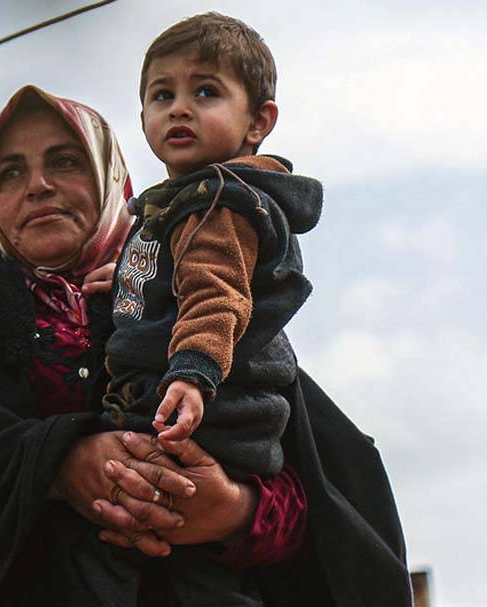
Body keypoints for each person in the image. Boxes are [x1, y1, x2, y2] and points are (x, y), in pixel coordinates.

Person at [0, 84, 411, 606]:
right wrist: (58, 463)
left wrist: (235, 511)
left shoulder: (188, 303)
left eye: (65, 161)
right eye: (10, 172)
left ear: (113, 182)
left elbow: (329, 487)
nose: (38, 185)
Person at [86, 12, 322, 605]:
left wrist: (192, 375)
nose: (179, 109)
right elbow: (186, 272)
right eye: (161, 95)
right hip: (223, 417)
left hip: (207, 417)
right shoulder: (187, 207)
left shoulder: (216, 202)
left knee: (164, 564)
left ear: (258, 122)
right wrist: (127, 284)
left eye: (206, 91)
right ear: (140, 116)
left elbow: (216, 295)